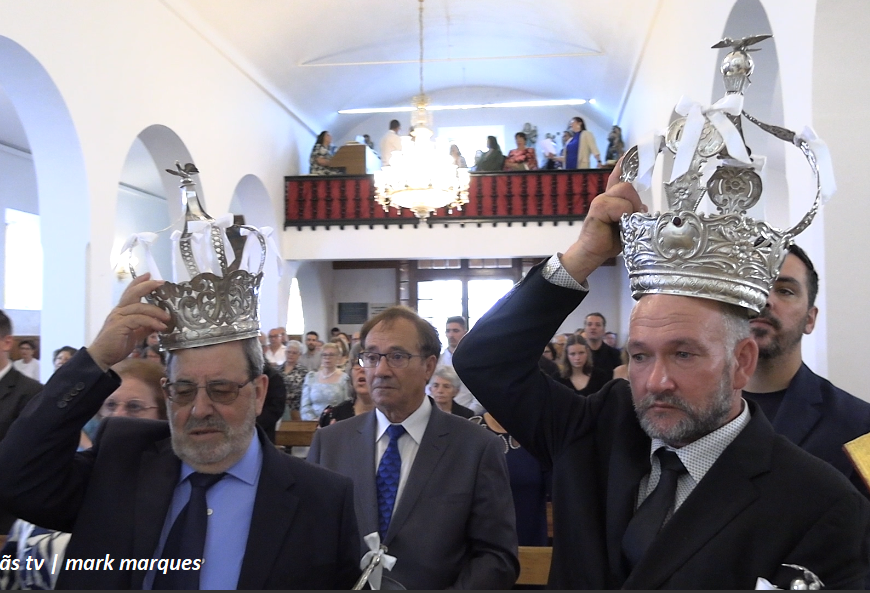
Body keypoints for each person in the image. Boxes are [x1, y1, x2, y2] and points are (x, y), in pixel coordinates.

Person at [452, 166, 870, 588]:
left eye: (683, 354)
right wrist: (584, 256)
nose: (656, 381)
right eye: (640, 356)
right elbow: (486, 361)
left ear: (741, 360)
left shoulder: (816, 498)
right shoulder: (599, 427)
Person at [0, 274, 361, 589]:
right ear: (166, 391)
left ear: (259, 393)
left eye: (221, 389)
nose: (200, 409)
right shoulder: (120, 459)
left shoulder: (323, 500)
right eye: (183, 391)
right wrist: (96, 360)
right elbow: (18, 479)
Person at [308, 306, 519, 589]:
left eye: (397, 357)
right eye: (371, 357)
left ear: (428, 367)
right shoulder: (330, 443)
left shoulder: (475, 447)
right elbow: (308, 541)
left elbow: (496, 557)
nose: (381, 371)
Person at [744, 244, 870, 496]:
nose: (765, 300)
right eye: (752, 285)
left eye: (785, 291)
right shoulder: (689, 410)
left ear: (810, 319)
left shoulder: (861, 426)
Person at [469, 412, 550, 546]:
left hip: (529, 542)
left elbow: (560, 490)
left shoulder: (539, 432)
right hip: (479, 544)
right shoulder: (470, 429)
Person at [319, 343, 375, 426]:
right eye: (357, 363)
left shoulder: (392, 415)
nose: (362, 369)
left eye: (369, 362)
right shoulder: (333, 416)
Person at [436, 315, 483, 414]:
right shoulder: (437, 361)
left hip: (467, 413)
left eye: (455, 331)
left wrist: (467, 415)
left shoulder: (475, 362)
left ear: (465, 333)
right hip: (439, 415)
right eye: (448, 331)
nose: (451, 335)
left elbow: (480, 394)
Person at [299, 342, 352, 420]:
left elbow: (347, 405)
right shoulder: (311, 377)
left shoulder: (344, 378)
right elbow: (305, 405)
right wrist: (313, 419)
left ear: (338, 357)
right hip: (312, 422)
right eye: (324, 355)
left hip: (335, 422)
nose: (327, 358)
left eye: (331, 355)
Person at [280, 339, 307, 421]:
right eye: (288, 352)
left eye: (294, 353)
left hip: (296, 410)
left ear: (299, 355)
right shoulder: (277, 370)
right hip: (279, 408)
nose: (291, 355)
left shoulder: (304, 372)